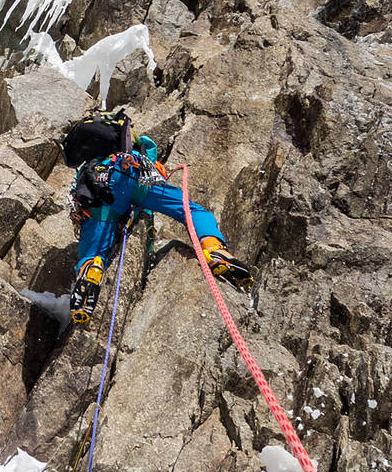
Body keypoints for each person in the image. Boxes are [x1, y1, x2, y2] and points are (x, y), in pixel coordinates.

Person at [62, 111, 252, 325]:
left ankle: (90, 270)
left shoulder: (88, 165)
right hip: (131, 173)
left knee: (94, 250)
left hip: (99, 188)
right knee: (193, 211)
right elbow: (149, 174)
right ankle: (215, 249)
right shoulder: (140, 148)